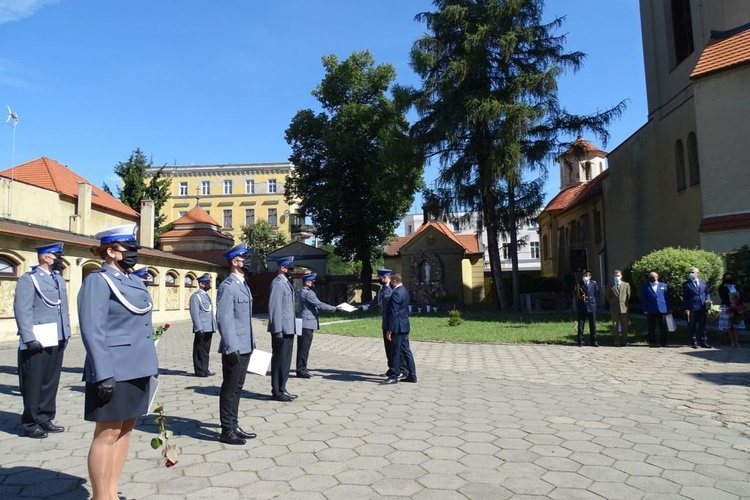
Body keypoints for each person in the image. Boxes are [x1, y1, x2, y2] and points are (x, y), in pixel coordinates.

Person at [78, 224, 159, 499]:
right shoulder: (98, 281)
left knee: (125, 430)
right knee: (107, 432)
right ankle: (101, 496)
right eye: (130, 249)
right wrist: (103, 373)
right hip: (114, 368)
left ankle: (112, 491)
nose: (135, 254)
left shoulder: (133, 280)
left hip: (138, 365)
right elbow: (92, 329)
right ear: (111, 251)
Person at [13, 242, 71, 439]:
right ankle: (30, 422)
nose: (59, 260)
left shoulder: (59, 280)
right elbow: (22, 309)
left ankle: (45, 417)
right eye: (57, 256)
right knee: (33, 382)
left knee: (50, 381)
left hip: (56, 336)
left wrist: (66, 332)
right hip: (37, 338)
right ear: (46, 257)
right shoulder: (29, 280)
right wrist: (28, 337)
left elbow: (62, 308)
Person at [215, 243, 257, 445]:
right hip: (235, 347)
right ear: (234, 262)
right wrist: (231, 346)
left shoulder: (243, 284)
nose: (248, 261)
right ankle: (226, 430)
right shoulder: (227, 286)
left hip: (246, 345)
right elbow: (224, 319)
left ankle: (234, 425)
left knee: (238, 388)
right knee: (230, 389)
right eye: (244, 258)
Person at [267, 256, 298, 402]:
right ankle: (277, 391)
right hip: (282, 329)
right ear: (282, 267)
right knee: (280, 360)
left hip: (289, 328)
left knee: (286, 361)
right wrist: (277, 329)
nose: (291, 269)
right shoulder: (278, 283)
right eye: (288, 266)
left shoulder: (286, 283)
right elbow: (275, 307)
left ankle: (282, 387)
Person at [296, 273, 338, 378]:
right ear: (307, 282)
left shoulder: (301, 291)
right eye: (311, 281)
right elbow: (320, 305)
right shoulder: (308, 294)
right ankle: (301, 369)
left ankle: (300, 368)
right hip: (307, 323)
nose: (313, 283)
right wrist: (335, 308)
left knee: (302, 347)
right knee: (304, 347)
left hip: (303, 322)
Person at [361, 269, 401, 378]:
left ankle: (400, 369)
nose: (379, 279)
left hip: (392, 323)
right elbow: (375, 302)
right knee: (388, 348)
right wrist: (360, 307)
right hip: (385, 322)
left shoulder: (393, 289)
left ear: (385, 277)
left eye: (380, 277)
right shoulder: (381, 289)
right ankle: (391, 367)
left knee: (394, 348)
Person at [383, 274, 417, 384]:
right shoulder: (404, 291)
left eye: (391, 281)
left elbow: (394, 313)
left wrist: (390, 329)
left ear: (394, 281)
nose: (391, 283)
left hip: (397, 327)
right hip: (404, 326)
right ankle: (412, 375)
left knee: (395, 351)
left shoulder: (396, 294)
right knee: (406, 351)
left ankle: (394, 375)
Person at [190, 273, 217, 377]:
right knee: (198, 350)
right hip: (201, 328)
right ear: (201, 284)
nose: (208, 285)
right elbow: (195, 313)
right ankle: (199, 370)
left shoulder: (206, 296)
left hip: (209, 327)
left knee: (206, 350)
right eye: (207, 283)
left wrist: (213, 326)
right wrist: (198, 328)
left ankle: (205, 369)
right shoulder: (195, 297)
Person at [641, 271, 673, 347]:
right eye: (651, 276)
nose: (653, 277)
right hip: (651, 309)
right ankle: (652, 341)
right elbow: (644, 299)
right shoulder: (646, 286)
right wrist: (644, 308)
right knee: (651, 326)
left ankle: (663, 341)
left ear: (657, 277)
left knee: (662, 326)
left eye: (654, 276)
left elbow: (667, 298)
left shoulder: (663, 285)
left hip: (662, 309)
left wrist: (669, 308)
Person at [683, 266, 711, 348]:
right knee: (692, 325)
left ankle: (703, 341)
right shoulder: (686, 284)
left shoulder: (703, 282)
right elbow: (686, 297)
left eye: (693, 272)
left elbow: (707, 293)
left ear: (697, 273)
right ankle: (693, 342)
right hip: (692, 307)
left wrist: (708, 300)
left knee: (703, 325)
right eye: (690, 272)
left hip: (703, 307)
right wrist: (686, 308)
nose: (691, 274)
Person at [718, 272, 745, 347]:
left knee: (736, 325)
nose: (728, 279)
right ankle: (732, 341)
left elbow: (741, 294)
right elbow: (722, 297)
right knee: (728, 325)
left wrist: (738, 304)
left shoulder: (736, 285)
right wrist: (730, 304)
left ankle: (736, 341)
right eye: (726, 277)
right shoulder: (722, 287)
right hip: (727, 307)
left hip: (737, 307)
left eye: (729, 277)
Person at [605, 269, 631, 347]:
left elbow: (628, 295)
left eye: (618, 275)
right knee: (615, 325)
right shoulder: (609, 285)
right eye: (615, 276)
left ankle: (624, 340)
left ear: (621, 276)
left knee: (625, 325)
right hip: (614, 308)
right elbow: (608, 297)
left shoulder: (626, 285)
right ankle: (616, 340)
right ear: (613, 276)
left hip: (624, 308)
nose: (617, 277)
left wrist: (623, 303)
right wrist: (613, 303)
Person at [575, 270, 599, 347]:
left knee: (593, 325)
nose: (585, 277)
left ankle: (594, 341)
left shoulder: (593, 284)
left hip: (591, 306)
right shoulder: (579, 284)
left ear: (590, 277)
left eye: (587, 276)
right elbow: (577, 295)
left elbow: (596, 293)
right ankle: (580, 340)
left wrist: (592, 301)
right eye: (584, 276)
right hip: (582, 306)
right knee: (581, 324)